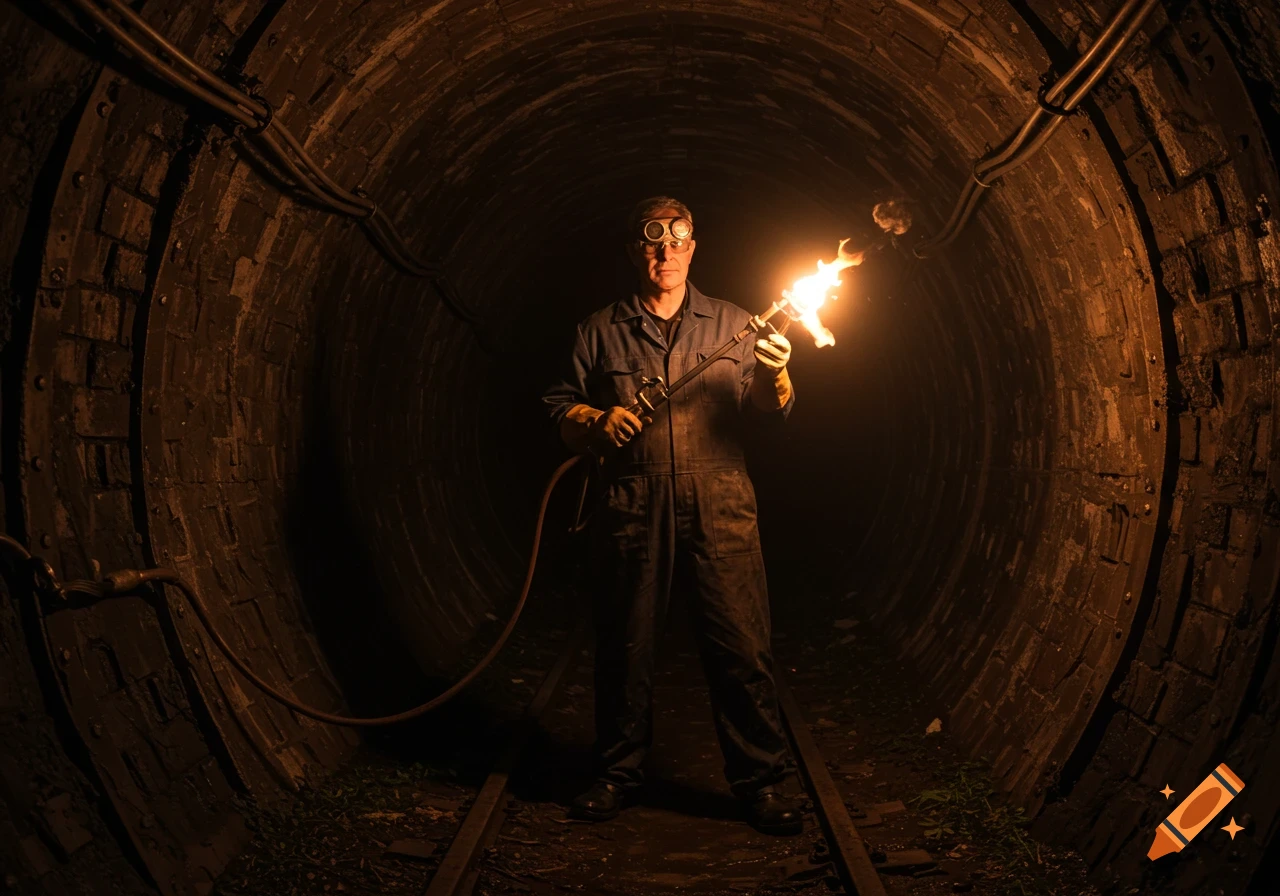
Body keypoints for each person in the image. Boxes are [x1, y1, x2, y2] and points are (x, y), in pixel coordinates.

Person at [541, 196, 804, 835]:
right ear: (636, 250)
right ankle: (615, 774)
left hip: (721, 503)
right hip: (632, 504)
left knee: (742, 647)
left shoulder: (737, 325)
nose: (665, 251)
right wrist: (595, 420)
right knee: (627, 646)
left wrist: (776, 377)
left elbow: (766, 412)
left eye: (677, 238)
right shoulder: (598, 331)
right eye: (652, 239)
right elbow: (557, 404)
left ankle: (762, 782)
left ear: (694, 246)